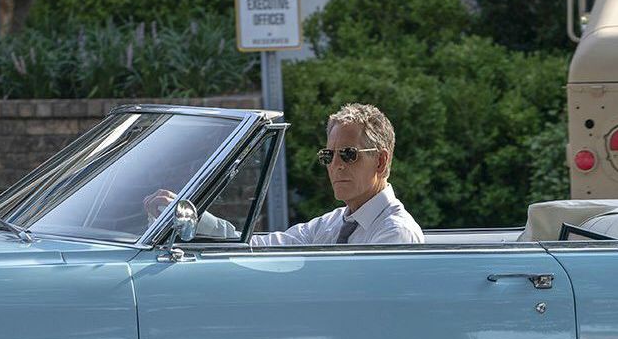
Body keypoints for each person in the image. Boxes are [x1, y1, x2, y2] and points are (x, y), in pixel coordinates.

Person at [144, 103, 424, 245]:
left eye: (348, 154)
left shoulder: (394, 234)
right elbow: (258, 247)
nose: (336, 165)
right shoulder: (330, 225)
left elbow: (359, 308)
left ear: (380, 161)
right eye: (328, 156)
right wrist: (196, 218)